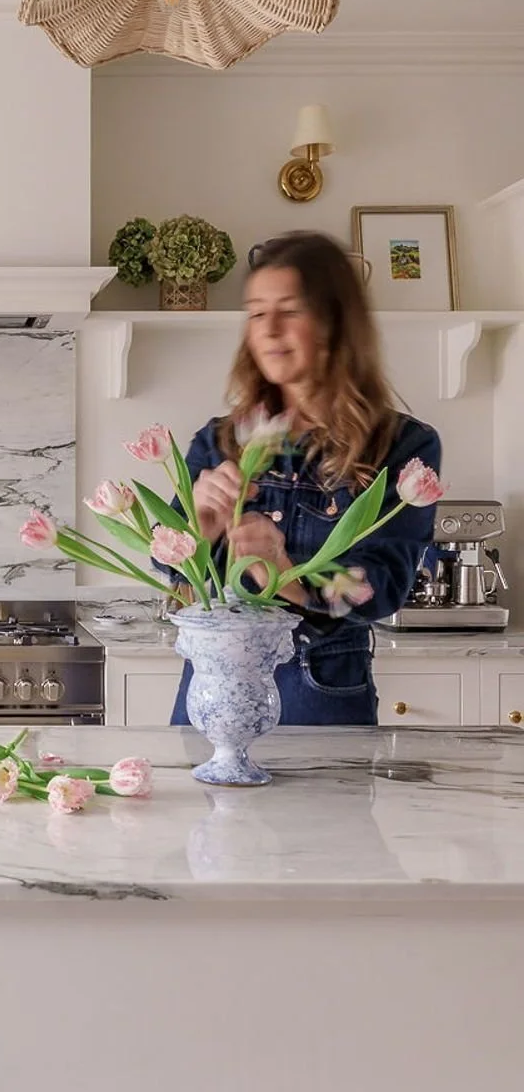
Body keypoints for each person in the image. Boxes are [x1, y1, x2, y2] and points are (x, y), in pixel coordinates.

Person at [164, 231, 442, 726]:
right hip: (213, 691)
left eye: (289, 310)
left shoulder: (402, 446)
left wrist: (282, 567)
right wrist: (195, 534)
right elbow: (167, 569)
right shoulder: (219, 442)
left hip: (322, 689)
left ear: (335, 322)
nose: (268, 330)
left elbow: (378, 587)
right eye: (255, 312)